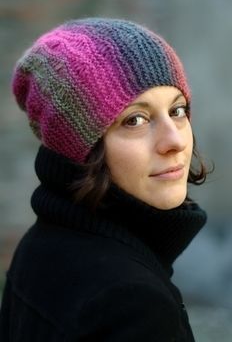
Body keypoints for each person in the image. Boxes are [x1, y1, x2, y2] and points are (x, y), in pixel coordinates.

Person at [0, 17, 209, 341]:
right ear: (79, 146)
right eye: (135, 119)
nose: (176, 141)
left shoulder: (38, 247)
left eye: (177, 110)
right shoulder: (134, 304)